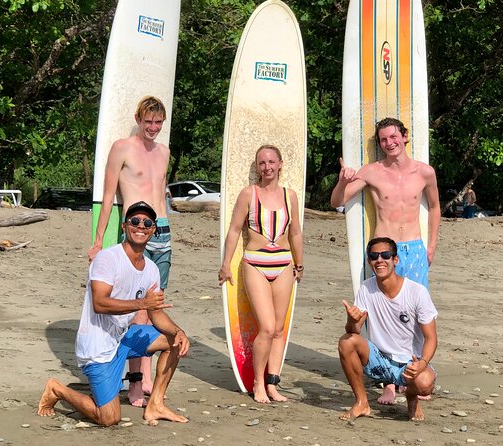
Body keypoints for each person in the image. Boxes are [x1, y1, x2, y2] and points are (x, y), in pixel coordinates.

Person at [38, 202, 189, 426]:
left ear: (153, 229)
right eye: (135, 221)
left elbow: (156, 314)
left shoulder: (151, 269)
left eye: (147, 222)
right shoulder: (107, 258)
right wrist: (141, 303)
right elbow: (100, 303)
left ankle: (156, 405)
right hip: (97, 348)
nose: (141, 226)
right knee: (108, 418)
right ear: (124, 226)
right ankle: (57, 389)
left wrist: (179, 331)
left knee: (174, 341)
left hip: (122, 338)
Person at [331, 117, 439, 404]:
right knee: (379, 314)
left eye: (393, 137)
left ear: (405, 137)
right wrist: (343, 181)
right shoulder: (372, 172)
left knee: (416, 315)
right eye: (383, 139)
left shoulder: (425, 172)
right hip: (383, 250)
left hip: (414, 249)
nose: (389, 143)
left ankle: (411, 374)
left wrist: (431, 245)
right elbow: (337, 202)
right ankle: (387, 382)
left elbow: (436, 206)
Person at [88, 96, 172, 407]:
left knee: (154, 306)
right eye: (148, 121)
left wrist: (167, 232)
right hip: (136, 228)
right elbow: (109, 196)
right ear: (138, 119)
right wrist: (99, 241)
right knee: (138, 308)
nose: (153, 127)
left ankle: (147, 377)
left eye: (158, 122)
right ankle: (135, 382)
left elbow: (161, 195)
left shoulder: (164, 151)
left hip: (161, 230)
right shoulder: (122, 147)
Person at [219, 145, 304, 404]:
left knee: (279, 329)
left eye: (271, 162)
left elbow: (296, 232)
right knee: (266, 327)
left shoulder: (291, 196)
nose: (267, 167)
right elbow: (234, 230)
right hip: (255, 263)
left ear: (280, 163)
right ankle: (257, 381)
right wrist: (225, 264)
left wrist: (300, 264)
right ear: (257, 167)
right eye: (262, 163)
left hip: (283, 264)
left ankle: (273, 383)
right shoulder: (249, 194)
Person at [338, 237, 438, 422]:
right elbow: (355, 331)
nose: (379, 260)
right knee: (346, 341)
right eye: (374, 256)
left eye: (385, 255)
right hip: (379, 359)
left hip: (410, 362)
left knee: (424, 384)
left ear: (395, 260)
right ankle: (362, 402)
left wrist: (422, 363)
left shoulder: (416, 292)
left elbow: (431, 338)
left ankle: (411, 396)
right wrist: (351, 320)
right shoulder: (366, 288)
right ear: (369, 261)